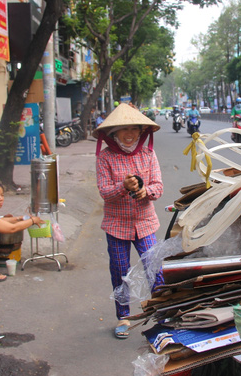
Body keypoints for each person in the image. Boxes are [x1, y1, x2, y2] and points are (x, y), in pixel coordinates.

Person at [93, 103, 164, 339]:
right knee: (120, 271)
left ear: (141, 131)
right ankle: (123, 317)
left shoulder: (148, 154)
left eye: (134, 128)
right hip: (116, 225)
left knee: (154, 266)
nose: (130, 134)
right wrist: (123, 187)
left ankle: (163, 311)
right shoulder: (105, 158)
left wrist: (146, 192)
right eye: (123, 129)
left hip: (145, 223)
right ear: (112, 133)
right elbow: (105, 191)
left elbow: (158, 187)